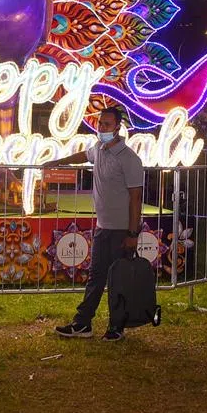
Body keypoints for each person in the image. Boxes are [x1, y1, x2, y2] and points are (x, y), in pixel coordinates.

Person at [43, 106, 145, 342]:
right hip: (102, 227)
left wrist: (132, 233)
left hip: (121, 230)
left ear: (118, 128)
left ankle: (117, 326)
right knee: (96, 277)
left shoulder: (129, 159)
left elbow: (136, 197)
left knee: (118, 279)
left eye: (107, 125)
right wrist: (59, 162)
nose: (102, 128)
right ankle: (83, 323)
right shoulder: (98, 149)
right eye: (100, 124)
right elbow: (83, 156)